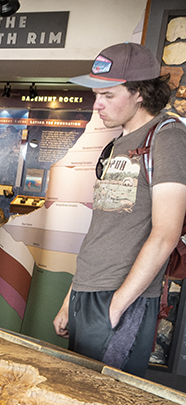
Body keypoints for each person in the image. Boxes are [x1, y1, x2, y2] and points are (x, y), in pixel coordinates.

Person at [53, 42, 186, 377]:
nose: (96, 105)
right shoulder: (116, 145)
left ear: (140, 93)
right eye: (96, 94)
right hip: (87, 292)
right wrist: (71, 300)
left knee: (105, 395)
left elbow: (166, 233)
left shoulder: (166, 137)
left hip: (121, 298)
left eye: (108, 95)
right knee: (77, 390)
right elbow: (102, 230)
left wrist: (115, 308)